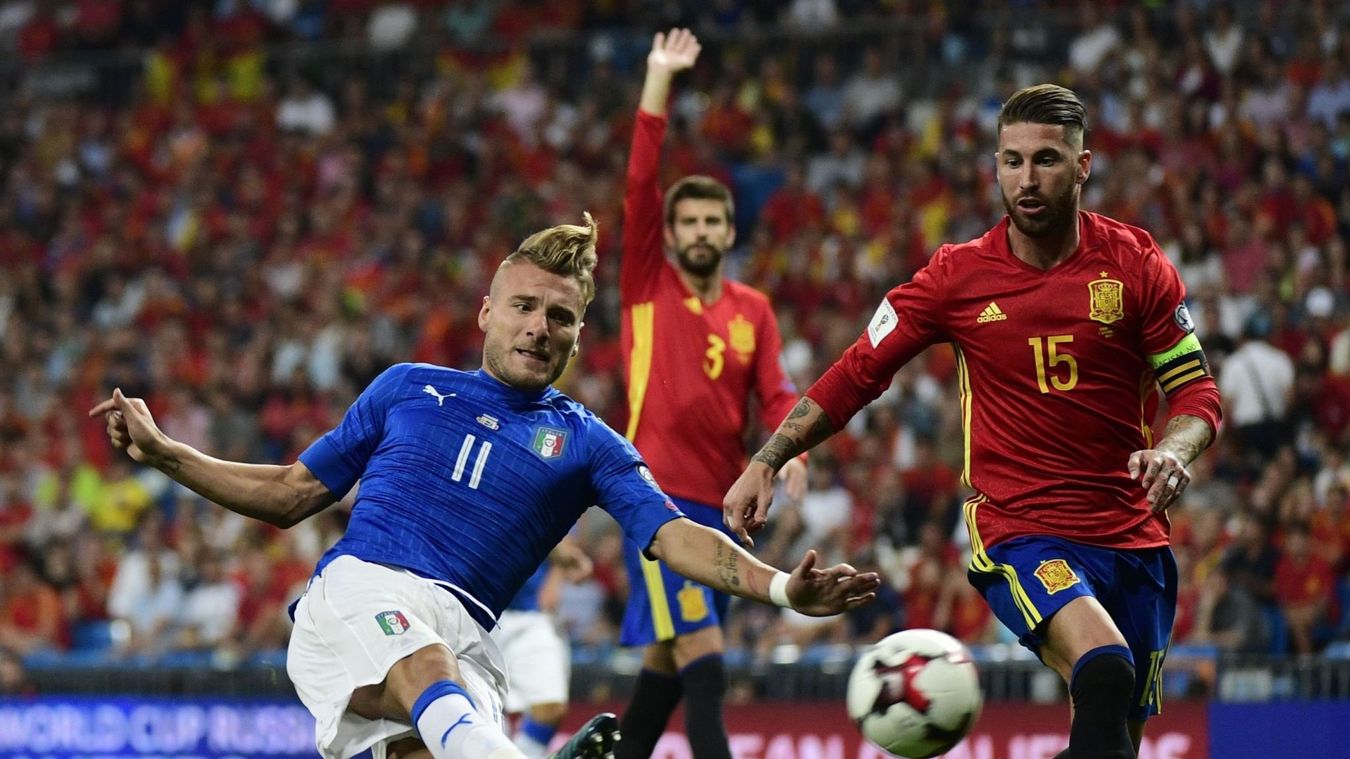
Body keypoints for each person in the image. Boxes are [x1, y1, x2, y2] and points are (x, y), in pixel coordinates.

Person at [91, 214, 879, 759]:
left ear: (578, 337)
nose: (539, 326)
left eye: (560, 317)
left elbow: (675, 537)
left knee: (443, 725)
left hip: (469, 638)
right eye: (524, 307)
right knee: (430, 673)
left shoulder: (588, 442)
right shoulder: (406, 386)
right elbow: (293, 491)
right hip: (362, 592)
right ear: (486, 313)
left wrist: (784, 589)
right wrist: (166, 454)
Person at [724, 85, 1223, 759]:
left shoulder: (1135, 263)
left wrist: (1174, 450)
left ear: (1082, 167)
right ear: (995, 167)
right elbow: (858, 371)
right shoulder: (955, 276)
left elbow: (1195, 391)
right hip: (1024, 530)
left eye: (1046, 159)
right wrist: (769, 457)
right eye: (1012, 161)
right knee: (1105, 668)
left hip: (1133, 536)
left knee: (1115, 743)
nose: (1027, 179)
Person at [615, 29, 808, 759]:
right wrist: (658, 80)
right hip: (656, 500)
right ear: (667, 235)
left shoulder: (754, 308)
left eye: (712, 221)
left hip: (724, 508)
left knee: (666, 667)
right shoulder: (646, 285)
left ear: (730, 232)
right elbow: (640, 182)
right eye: (688, 221)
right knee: (706, 659)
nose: (700, 231)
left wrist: (793, 449)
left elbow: (777, 392)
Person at [492, 539, 592, 758]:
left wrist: (559, 567)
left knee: (550, 707)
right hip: (475, 609)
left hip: (531, 614)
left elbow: (556, 526)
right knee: (485, 713)